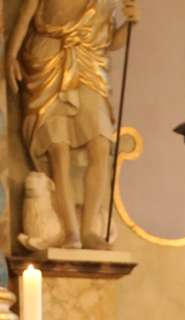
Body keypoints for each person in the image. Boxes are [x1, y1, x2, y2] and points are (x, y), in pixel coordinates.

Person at [6, 0, 140, 249]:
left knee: (100, 144)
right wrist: (11, 56)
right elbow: (25, 17)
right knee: (58, 151)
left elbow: (109, 40)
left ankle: (88, 230)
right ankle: (71, 232)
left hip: (88, 67)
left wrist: (129, 24)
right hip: (49, 61)